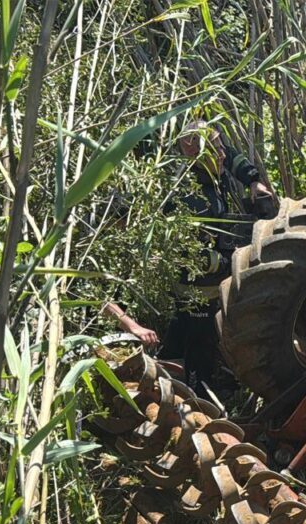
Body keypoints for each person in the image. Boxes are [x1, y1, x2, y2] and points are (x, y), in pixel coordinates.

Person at [103, 120, 275, 397]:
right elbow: (184, 254)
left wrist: (253, 180)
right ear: (190, 149)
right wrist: (232, 258)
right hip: (196, 292)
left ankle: (168, 383)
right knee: (198, 350)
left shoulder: (211, 172)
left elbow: (231, 156)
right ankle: (194, 400)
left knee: (181, 341)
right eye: (215, 148)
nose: (223, 153)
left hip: (203, 290)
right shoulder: (190, 197)